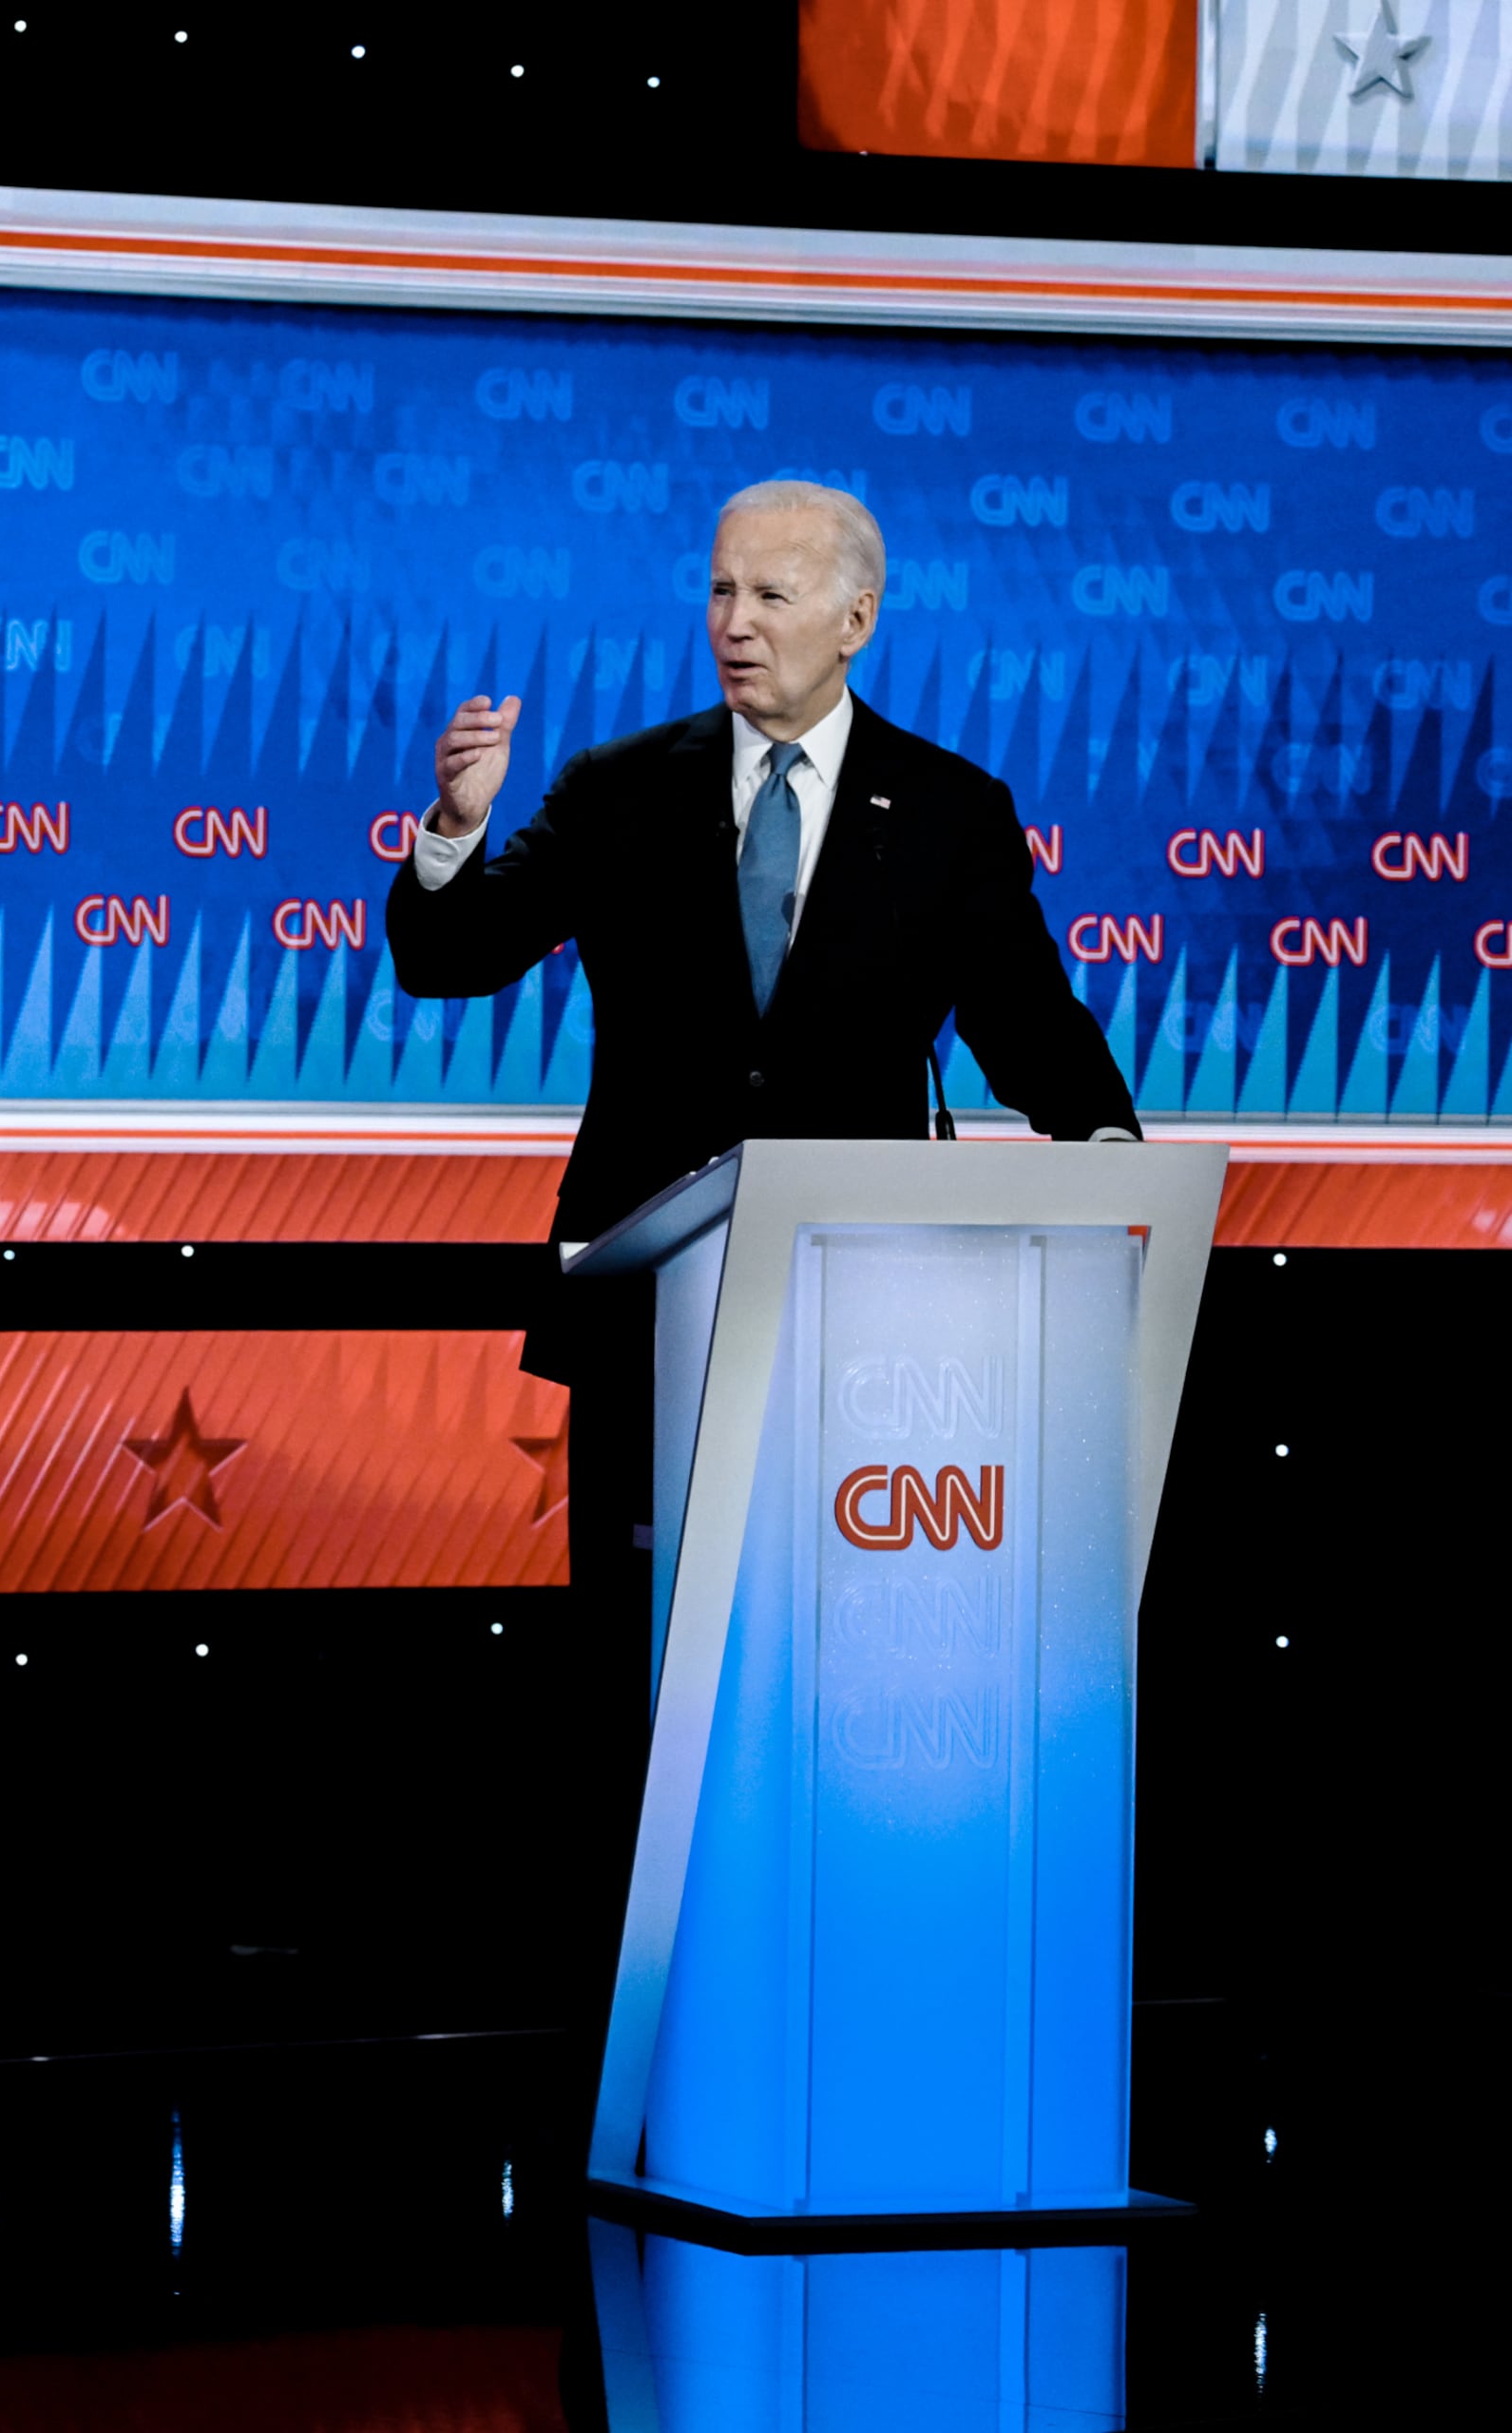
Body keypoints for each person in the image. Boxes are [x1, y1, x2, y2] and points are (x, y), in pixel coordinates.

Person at [384, 479, 1137, 1719]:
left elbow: (1024, 1020)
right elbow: (451, 958)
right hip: (652, 1305)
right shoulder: (618, 788)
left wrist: (1109, 1150)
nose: (736, 621)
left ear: (856, 618)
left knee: (839, 1658)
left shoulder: (952, 810)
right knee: (644, 1666)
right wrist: (455, 834)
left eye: (772, 596)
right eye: (722, 590)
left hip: (874, 1315)